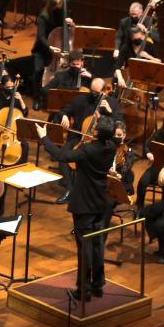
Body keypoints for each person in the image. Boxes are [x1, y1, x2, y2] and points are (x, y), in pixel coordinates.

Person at [38, 115, 116, 298]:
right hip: (100, 201)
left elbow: (61, 155)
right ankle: (97, 285)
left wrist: (44, 137)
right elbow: (105, 138)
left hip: (84, 204)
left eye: (94, 127)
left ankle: (83, 290)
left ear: (96, 132)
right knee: (97, 244)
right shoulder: (111, 146)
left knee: (84, 247)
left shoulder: (88, 150)